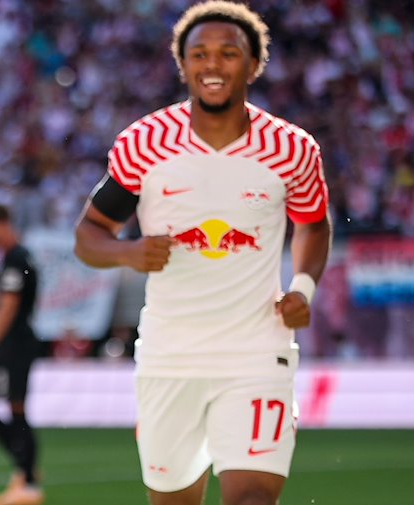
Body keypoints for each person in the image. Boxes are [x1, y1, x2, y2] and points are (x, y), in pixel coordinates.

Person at [73, 2, 332, 505]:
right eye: (200, 54)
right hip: (170, 354)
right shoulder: (144, 144)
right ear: (184, 64)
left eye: (228, 53)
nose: (213, 64)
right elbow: (90, 234)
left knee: (253, 497)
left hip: (258, 350)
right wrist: (129, 255)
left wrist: (303, 286)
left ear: (254, 64)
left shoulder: (292, 149)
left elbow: (314, 226)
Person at [0, 204, 44, 505]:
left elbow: (9, 307)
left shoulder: (15, 259)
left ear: (0, 224)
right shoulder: (19, 257)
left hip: (14, 344)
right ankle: (24, 469)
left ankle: (27, 480)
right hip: (17, 342)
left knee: (1, 407)